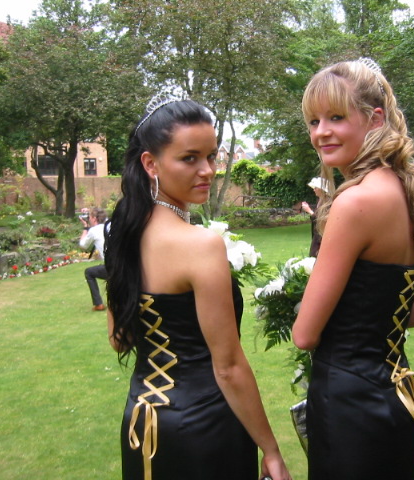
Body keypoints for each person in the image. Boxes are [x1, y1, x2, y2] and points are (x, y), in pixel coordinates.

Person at [104, 97, 291, 480]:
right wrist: (271, 449)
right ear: (150, 163)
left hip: (143, 423)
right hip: (204, 425)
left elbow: (120, 340)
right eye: (189, 158)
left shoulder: (122, 233)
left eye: (211, 156)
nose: (207, 170)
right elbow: (229, 367)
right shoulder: (200, 245)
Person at [292, 58, 414, 480]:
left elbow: (305, 335)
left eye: (336, 117)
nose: (321, 132)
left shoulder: (354, 202)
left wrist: (335, 322)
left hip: (350, 407)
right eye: (313, 121)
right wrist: (369, 322)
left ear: (375, 119)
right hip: (403, 398)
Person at [79, 207, 107, 311]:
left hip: (112, 266)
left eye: (90, 217)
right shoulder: (110, 226)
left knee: (89, 272)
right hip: (125, 264)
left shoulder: (93, 230)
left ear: (94, 218)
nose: (89, 219)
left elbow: (83, 245)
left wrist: (85, 228)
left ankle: (98, 304)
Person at [301, 177, 330, 257]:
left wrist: (309, 210)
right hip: (317, 234)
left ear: (321, 189)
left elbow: (323, 219)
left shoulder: (327, 202)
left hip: (322, 236)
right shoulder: (321, 200)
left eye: (316, 188)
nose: (314, 190)